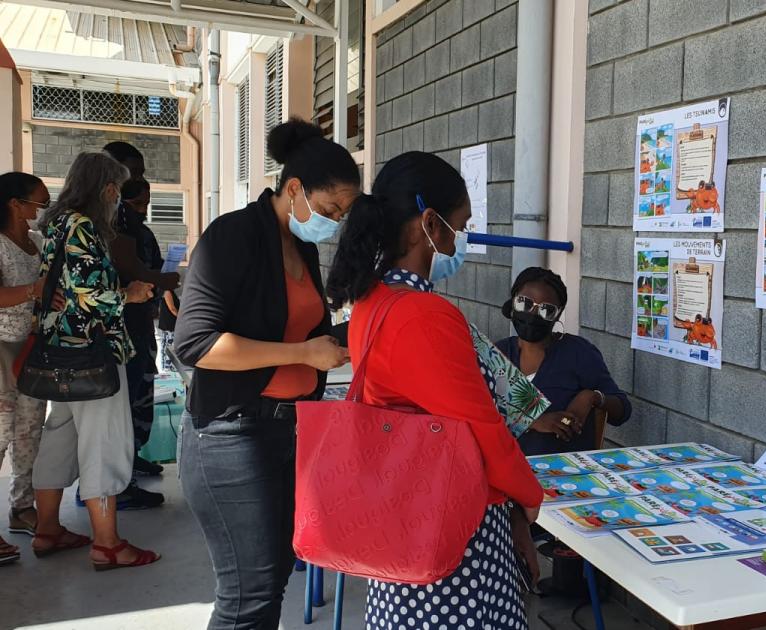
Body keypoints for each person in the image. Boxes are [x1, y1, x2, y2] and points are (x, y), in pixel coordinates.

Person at [325, 151, 542, 630]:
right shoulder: (423, 315)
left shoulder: (373, 300)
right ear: (430, 223)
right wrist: (529, 495)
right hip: (451, 528)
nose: (458, 240)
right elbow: (479, 423)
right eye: (458, 227)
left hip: (405, 512)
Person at [175, 118, 358, 630]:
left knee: (273, 577)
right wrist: (302, 354)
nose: (334, 223)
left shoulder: (302, 247)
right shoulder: (234, 235)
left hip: (285, 430)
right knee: (247, 595)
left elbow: (303, 327)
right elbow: (195, 344)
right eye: (329, 210)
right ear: (294, 188)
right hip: (231, 436)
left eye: (342, 214)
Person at [30, 152, 157, 569]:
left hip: (57, 349)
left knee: (60, 435)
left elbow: (59, 285)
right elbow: (89, 294)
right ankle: (107, 543)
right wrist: (130, 295)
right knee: (103, 441)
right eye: (117, 190)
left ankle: (47, 529)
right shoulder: (84, 226)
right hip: (92, 351)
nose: (118, 199)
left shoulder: (56, 222)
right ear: (105, 188)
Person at [105, 141, 179, 499]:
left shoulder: (128, 217)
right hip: (116, 324)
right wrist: (164, 280)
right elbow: (128, 268)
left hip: (138, 320)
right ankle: (117, 482)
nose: (139, 179)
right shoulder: (107, 216)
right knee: (121, 400)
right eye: (133, 171)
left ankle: (131, 460)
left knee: (140, 390)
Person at [495, 268, 631, 456]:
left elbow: (622, 410)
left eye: (546, 310)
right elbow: (475, 413)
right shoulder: (498, 354)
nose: (533, 313)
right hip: (505, 469)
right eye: (524, 303)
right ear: (512, 301)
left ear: (558, 315)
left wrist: (593, 396)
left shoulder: (578, 353)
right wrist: (534, 421)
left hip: (566, 472)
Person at [0, 172, 52, 566]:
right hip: (1, 350)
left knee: (29, 430)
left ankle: (22, 506)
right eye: (39, 202)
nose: (42, 210)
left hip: (32, 349)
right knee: (0, 432)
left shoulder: (36, 243)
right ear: (15, 204)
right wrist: (36, 290)